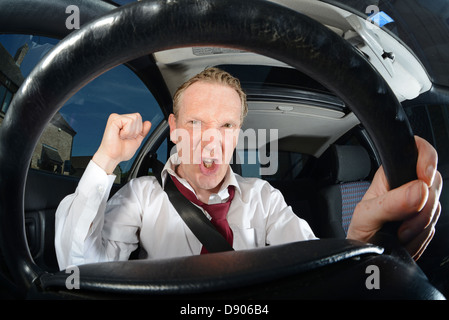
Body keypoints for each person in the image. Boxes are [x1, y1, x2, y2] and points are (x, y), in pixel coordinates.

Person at [55, 67, 442, 270]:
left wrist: (358, 248)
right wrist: (105, 161)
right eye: (195, 124)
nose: (210, 140)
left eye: (225, 126)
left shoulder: (264, 198)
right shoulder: (143, 195)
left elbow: (310, 266)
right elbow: (78, 267)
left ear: (237, 135)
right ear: (173, 130)